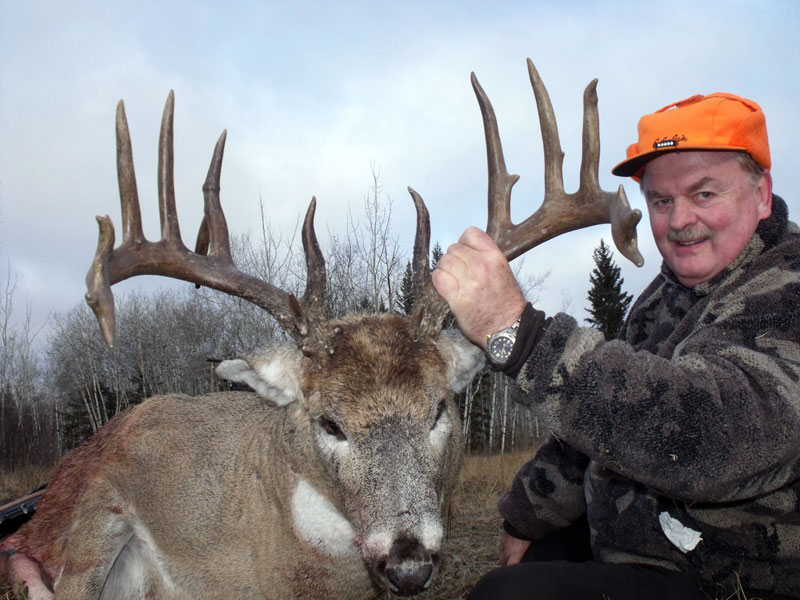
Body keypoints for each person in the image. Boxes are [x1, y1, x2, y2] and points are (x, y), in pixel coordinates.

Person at [433, 92, 800, 599]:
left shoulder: (787, 290)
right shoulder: (667, 297)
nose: (679, 221)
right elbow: (593, 428)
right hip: (641, 545)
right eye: (661, 201)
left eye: (705, 194)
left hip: (734, 576)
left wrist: (519, 333)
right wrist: (525, 515)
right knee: (521, 570)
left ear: (761, 195)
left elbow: (708, 437)